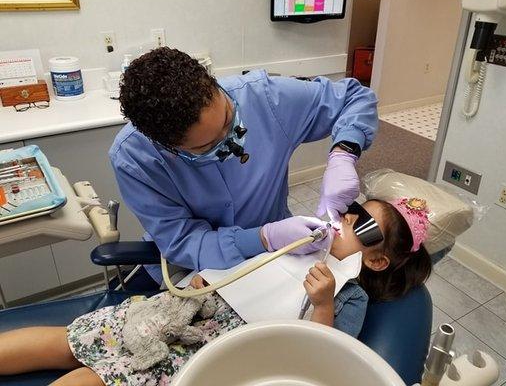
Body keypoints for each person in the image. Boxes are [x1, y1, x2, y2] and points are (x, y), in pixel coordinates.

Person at [0, 196, 432, 386]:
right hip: (188, 306)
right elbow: (237, 261)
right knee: (77, 339)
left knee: (102, 376)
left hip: (215, 344)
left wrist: (322, 304)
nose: (346, 222)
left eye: (364, 227)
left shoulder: (347, 295)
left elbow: (324, 350)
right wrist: (201, 280)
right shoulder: (295, 237)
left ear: (376, 260)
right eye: (352, 212)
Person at [110, 47, 378, 286]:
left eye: (228, 120)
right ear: (169, 147)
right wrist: (262, 238)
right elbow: (182, 241)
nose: (232, 143)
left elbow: (355, 98)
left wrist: (344, 152)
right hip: (192, 268)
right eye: (208, 146)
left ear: (213, 83)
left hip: (276, 257)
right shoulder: (134, 158)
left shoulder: (265, 98)